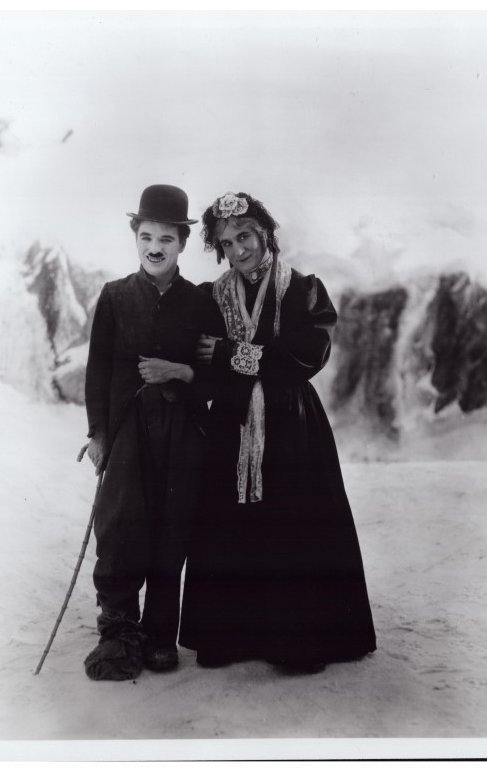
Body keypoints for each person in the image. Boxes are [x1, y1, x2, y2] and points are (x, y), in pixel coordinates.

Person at [179, 192, 377, 673]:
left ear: (265, 233)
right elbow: (202, 356)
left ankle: (297, 640)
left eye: (244, 236)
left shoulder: (303, 290)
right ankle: (231, 637)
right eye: (227, 243)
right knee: (230, 522)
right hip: (232, 423)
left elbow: (306, 356)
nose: (238, 250)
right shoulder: (213, 296)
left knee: (293, 521)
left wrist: (230, 353)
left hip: (291, 423)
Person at [83, 184, 224, 681]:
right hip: (127, 431)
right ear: (136, 238)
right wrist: (98, 434)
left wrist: (179, 372)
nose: (155, 247)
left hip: (182, 433)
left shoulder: (201, 303)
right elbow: (98, 371)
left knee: (172, 527)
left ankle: (161, 634)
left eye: (166, 238)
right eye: (146, 236)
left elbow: (215, 377)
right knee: (121, 525)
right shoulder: (115, 296)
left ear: (182, 243)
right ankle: (119, 631)